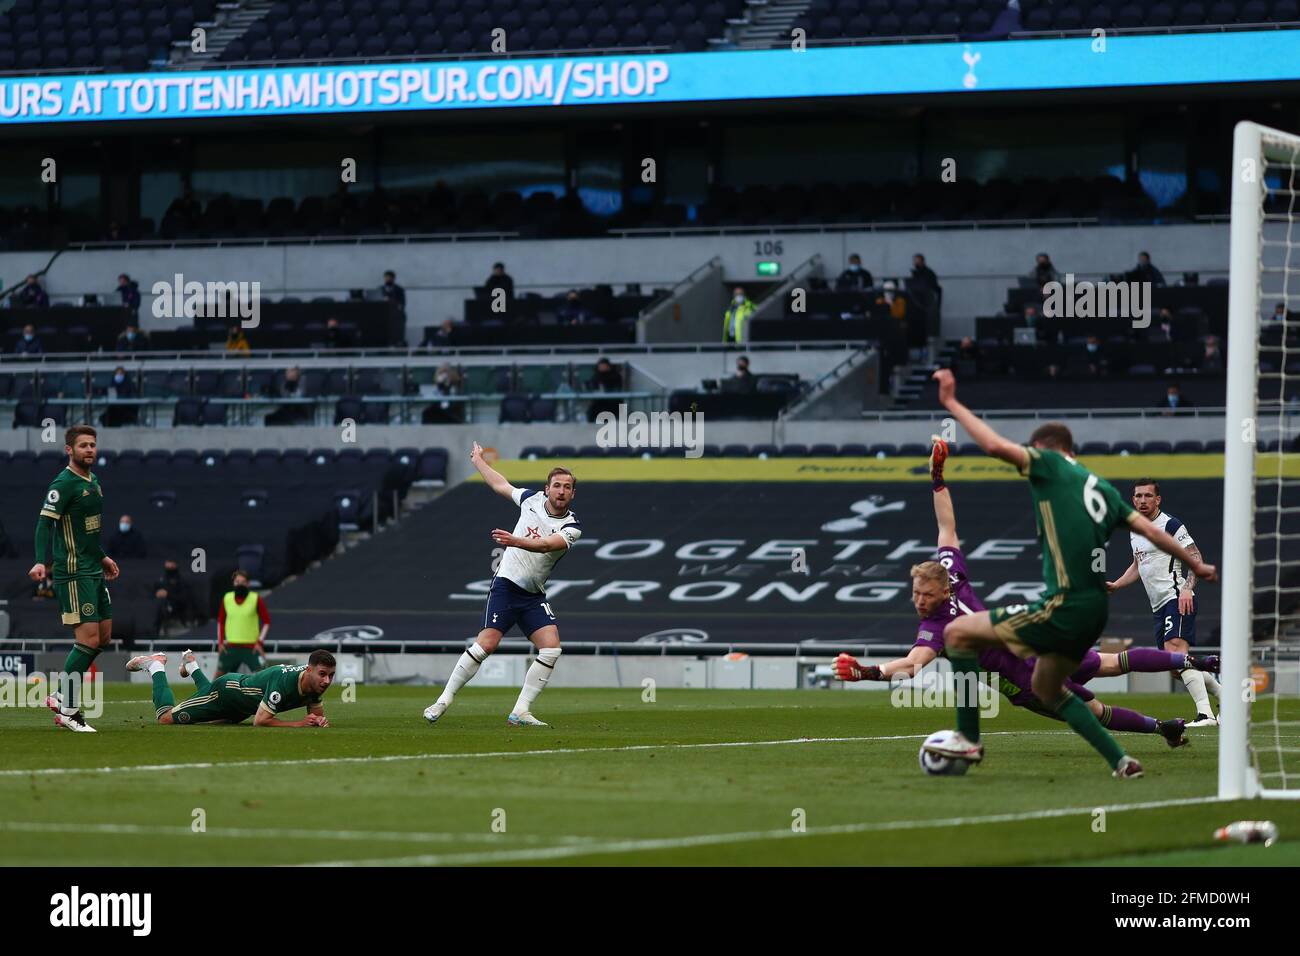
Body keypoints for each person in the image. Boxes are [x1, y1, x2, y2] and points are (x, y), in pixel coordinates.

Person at [921, 369, 1216, 778]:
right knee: (1048, 688)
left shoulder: (1050, 465)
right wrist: (1197, 565)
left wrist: (951, 404)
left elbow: (992, 445)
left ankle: (968, 740)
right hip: (1095, 608)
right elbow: (1150, 530)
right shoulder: (1105, 490)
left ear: (1045, 448)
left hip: (1064, 603)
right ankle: (1122, 761)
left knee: (957, 635)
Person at [833, 439, 1201, 745]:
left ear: (945, 589)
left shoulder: (944, 604)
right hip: (1031, 668)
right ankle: (1163, 726)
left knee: (1108, 669)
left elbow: (947, 530)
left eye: (925, 595)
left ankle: (1188, 664)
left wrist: (938, 479)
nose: (919, 601)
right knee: (1099, 696)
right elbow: (912, 663)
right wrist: (938, 479)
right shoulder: (942, 603)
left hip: (1032, 666)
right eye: (915, 594)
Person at [423, 444, 582, 728]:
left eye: (567, 487)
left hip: (533, 595)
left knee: (551, 648)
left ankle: (520, 711)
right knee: (487, 644)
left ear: (572, 494)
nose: (561, 491)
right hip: (507, 585)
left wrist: (515, 541)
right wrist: (478, 461)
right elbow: (500, 484)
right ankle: (443, 700)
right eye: (556, 485)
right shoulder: (530, 499)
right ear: (546, 489)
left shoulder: (571, 526)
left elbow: (547, 545)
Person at [1107, 479, 1222, 726]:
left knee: (1176, 655)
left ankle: (1206, 714)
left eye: (1148, 496)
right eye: (1138, 496)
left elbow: (1194, 555)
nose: (1142, 500)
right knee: (1171, 666)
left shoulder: (1170, 524)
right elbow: (1139, 564)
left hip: (1176, 597)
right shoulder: (1134, 529)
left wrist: (1187, 589)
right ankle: (1227, 697)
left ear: (1158, 500)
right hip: (1158, 606)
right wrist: (1117, 584)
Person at [29, 425, 120, 733]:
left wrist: (103, 556)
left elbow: (88, 532)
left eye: (93, 445)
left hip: (93, 569)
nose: (90, 450)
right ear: (69, 450)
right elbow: (44, 524)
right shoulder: (63, 484)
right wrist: (41, 561)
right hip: (73, 572)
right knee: (88, 640)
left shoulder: (93, 481)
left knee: (104, 638)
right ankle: (68, 710)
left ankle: (59, 695)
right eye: (83, 445)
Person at [128, 648, 335, 728]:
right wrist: (299, 723)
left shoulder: (315, 685)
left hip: (240, 707)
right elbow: (260, 722)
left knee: (212, 720)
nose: (327, 681)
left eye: (331, 676)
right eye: (323, 674)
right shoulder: (283, 682)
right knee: (166, 718)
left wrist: (319, 720)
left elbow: (316, 716)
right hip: (226, 692)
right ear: (308, 670)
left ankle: (191, 664)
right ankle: (155, 664)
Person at [215, 569, 271, 677]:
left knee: (265, 675)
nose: (240, 584)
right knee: (218, 677)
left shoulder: (255, 598)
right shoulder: (227, 598)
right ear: (233, 583)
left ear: (248, 583)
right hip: (231, 646)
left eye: (243, 582)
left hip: (251, 647)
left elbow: (267, 622)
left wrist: (259, 643)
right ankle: (211, 694)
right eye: (237, 581)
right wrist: (220, 642)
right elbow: (220, 622)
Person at [153, 558, 196, 634]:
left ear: (176, 565)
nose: (169, 565)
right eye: (168, 563)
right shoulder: (160, 581)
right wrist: (157, 594)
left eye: (171, 563)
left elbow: (185, 599)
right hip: (162, 622)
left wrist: (168, 594)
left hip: (179, 621)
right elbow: (152, 596)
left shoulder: (182, 582)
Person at [586, 357, 623, 423]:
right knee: (591, 412)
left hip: (613, 401)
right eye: (601, 366)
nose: (602, 367)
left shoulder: (615, 376)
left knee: (606, 412)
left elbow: (618, 388)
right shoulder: (595, 376)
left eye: (604, 366)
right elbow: (592, 387)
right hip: (599, 401)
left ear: (608, 366)